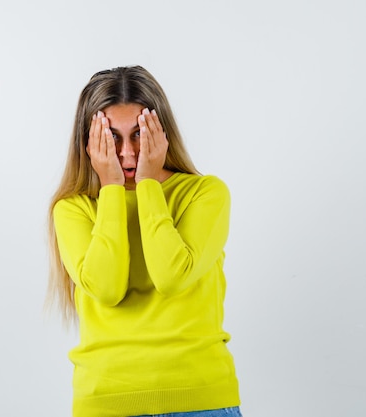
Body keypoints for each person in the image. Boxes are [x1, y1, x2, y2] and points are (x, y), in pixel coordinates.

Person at [47, 65, 242, 417]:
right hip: (106, 402)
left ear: (161, 133)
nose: (126, 153)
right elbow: (107, 288)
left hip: (200, 399)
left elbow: (172, 276)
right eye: (111, 137)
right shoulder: (73, 209)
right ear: (89, 143)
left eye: (139, 134)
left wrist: (149, 185)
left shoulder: (205, 194)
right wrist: (111, 190)